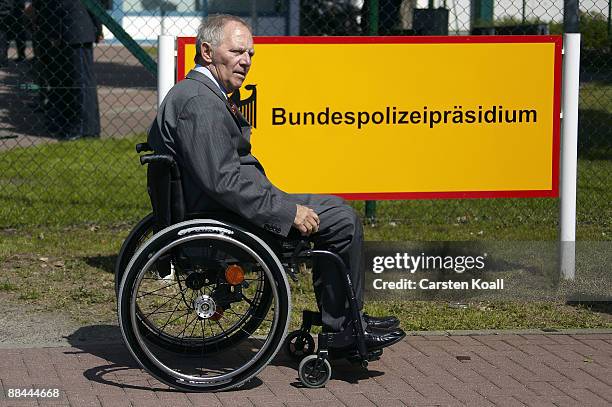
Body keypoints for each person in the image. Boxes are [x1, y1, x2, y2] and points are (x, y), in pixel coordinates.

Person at [147, 14, 406, 351]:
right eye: (238, 51)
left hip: (227, 209)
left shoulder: (202, 94)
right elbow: (223, 181)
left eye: (251, 54)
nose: (246, 61)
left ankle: (346, 318)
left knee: (336, 210)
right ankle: (343, 327)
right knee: (342, 222)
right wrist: (286, 211)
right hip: (226, 218)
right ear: (207, 52)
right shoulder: (199, 102)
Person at [45, 0, 102, 140]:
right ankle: (88, 129)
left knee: (82, 84)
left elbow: (58, 6)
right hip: (73, 31)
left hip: (76, 32)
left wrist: (98, 28)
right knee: (80, 83)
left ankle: (84, 129)